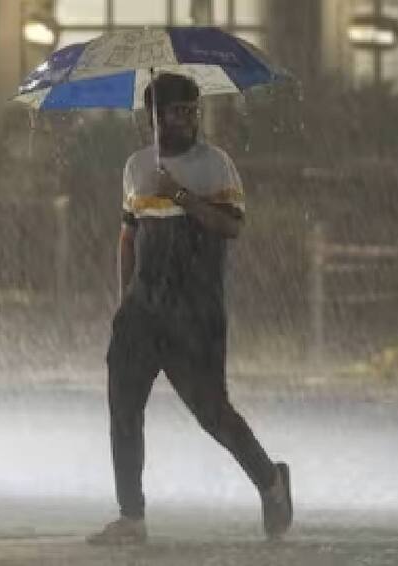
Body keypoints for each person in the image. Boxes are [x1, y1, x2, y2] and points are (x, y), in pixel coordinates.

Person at [87, 73, 292, 545]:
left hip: (195, 314)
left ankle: (271, 480)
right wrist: (125, 300)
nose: (186, 120)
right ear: (153, 118)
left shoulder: (216, 166)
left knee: (212, 412)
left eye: (192, 111)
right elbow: (129, 234)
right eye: (176, 112)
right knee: (123, 408)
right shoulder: (136, 168)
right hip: (142, 311)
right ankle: (131, 517)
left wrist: (179, 194)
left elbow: (230, 227)